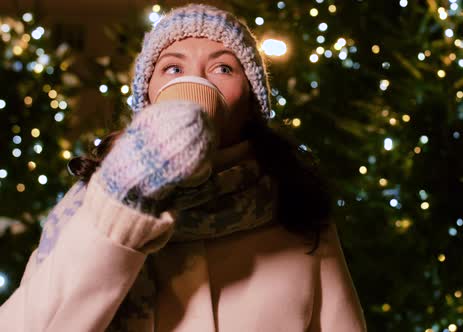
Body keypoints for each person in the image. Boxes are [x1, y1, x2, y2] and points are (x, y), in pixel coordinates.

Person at [0, 3, 367, 331]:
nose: (196, 82)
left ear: (252, 104)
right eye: (172, 67)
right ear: (148, 97)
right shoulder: (92, 204)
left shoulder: (297, 209)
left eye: (223, 67)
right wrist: (121, 206)